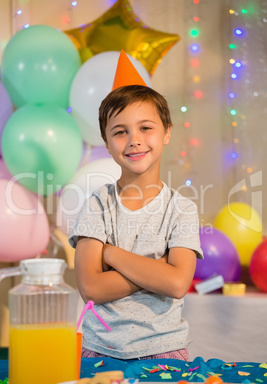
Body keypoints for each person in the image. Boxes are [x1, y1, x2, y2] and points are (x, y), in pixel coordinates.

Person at [69, 51, 203, 361]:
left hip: (165, 351)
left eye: (145, 127)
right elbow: (91, 288)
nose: (134, 140)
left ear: (167, 132)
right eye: (120, 131)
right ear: (106, 142)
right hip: (99, 351)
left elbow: (177, 283)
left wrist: (111, 254)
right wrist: (157, 268)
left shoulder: (181, 209)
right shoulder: (97, 205)